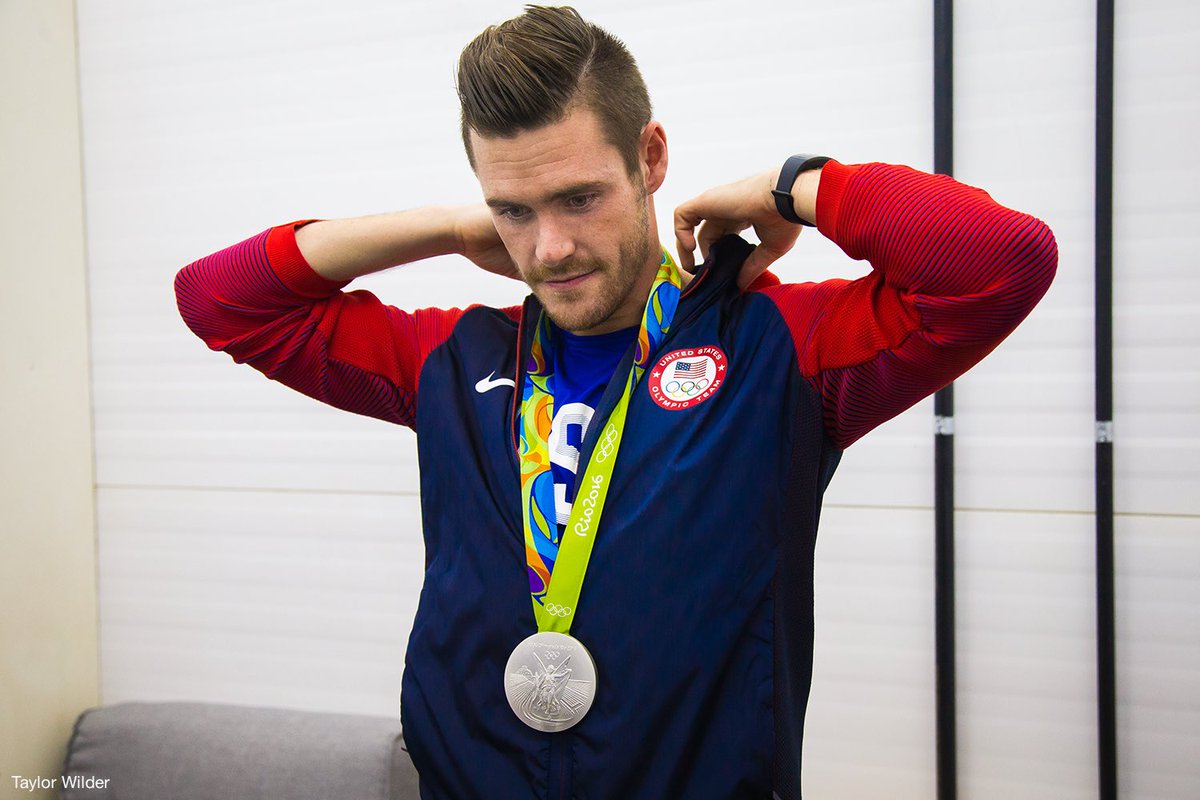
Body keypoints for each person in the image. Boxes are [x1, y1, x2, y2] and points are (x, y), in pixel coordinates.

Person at [175, 5, 1057, 798]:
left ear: (651, 160)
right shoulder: (452, 360)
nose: (550, 247)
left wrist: (799, 185)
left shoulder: (776, 348)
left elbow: (999, 262)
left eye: (580, 197)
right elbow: (217, 300)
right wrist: (445, 226)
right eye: (513, 211)